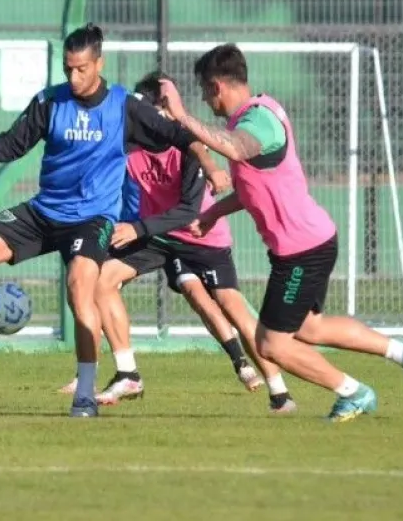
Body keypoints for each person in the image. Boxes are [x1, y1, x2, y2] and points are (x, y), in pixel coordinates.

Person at [0, 24, 217, 418]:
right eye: (69, 69)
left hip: (92, 219)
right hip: (45, 212)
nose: (74, 77)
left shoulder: (124, 106)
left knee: (79, 287)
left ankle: (85, 393)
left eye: (82, 69)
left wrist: (211, 166)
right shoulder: (50, 102)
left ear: (99, 63)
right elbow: (15, 142)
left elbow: (180, 136)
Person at [161, 44, 403, 422]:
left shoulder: (257, 121)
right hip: (311, 241)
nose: (203, 101)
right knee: (309, 327)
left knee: (271, 344)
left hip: (301, 251)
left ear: (216, 86)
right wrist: (213, 213)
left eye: (202, 92)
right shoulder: (255, 114)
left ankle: (354, 392)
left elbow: (236, 150)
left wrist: (181, 116)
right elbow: (252, 189)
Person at [85, 71, 297, 413]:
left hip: (201, 233)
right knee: (100, 279)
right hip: (157, 234)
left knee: (230, 304)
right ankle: (127, 373)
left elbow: (187, 211)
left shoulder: (188, 149)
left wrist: (138, 228)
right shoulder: (128, 146)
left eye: (154, 112)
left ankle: (279, 392)